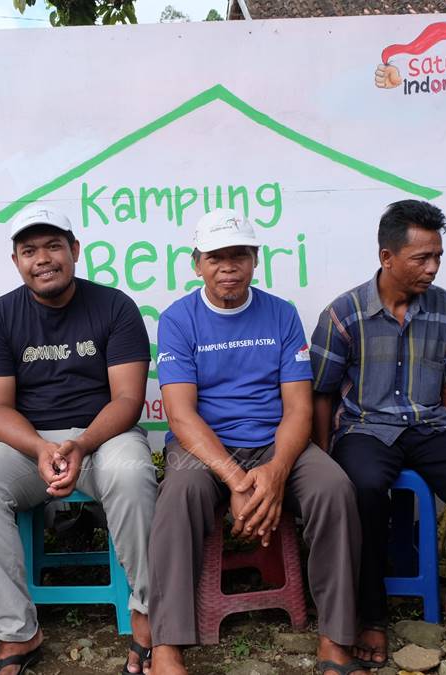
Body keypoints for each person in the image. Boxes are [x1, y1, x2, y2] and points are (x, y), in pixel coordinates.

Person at [149, 209, 365, 675]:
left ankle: (335, 637)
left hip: (275, 442)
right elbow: (181, 416)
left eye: (238, 255)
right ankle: (167, 644)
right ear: (196, 264)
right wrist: (236, 480)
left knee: (334, 489)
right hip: (203, 448)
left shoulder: (282, 315)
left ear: (254, 260)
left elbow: (299, 410)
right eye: (216, 257)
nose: (228, 266)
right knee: (178, 495)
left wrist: (275, 470)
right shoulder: (178, 319)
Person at [0, 204, 157, 675]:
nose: (42, 258)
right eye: (30, 250)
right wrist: (40, 449)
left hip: (104, 437)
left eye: (53, 246)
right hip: (29, 446)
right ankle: (18, 632)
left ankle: (147, 615)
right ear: (16, 261)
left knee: (131, 474)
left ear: (75, 251)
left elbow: (128, 399)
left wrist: (81, 444)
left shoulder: (115, 306)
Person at [308, 199, 446, 663]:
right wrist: (324, 453)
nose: (432, 268)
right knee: (363, 492)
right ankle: (370, 616)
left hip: (429, 427)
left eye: (438, 257)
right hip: (365, 429)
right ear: (387, 257)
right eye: (421, 258)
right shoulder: (343, 314)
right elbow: (322, 393)